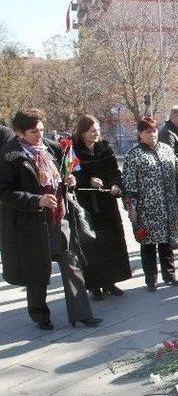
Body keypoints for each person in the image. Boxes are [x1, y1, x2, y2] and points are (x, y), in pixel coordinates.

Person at [0, 109, 102, 330]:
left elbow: (64, 177)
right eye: (33, 131)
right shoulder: (9, 155)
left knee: (71, 263)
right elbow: (5, 193)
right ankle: (40, 316)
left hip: (59, 217)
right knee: (37, 270)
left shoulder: (52, 148)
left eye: (41, 130)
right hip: (31, 224)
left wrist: (69, 181)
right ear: (19, 132)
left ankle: (82, 313)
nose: (39, 135)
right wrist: (37, 200)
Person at [122, 117, 178, 292]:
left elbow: (177, 176)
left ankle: (170, 275)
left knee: (167, 242)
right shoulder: (133, 155)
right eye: (147, 131)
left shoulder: (167, 150)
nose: (152, 134)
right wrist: (131, 208)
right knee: (148, 244)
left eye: (154, 130)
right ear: (140, 134)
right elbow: (128, 186)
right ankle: (151, 279)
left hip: (169, 206)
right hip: (147, 209)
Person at [73, 115, 131, 300]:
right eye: (92, 131)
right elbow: (69, 176)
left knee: (110, 243)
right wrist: (87, 180)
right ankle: (94, 285)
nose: (96, 133)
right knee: (91, 246)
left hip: (107, 204)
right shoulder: (74, 151)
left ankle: (110, 281)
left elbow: (116, 173)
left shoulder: (105, 149)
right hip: (87, 205)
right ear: (82, 132)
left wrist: (115, 184)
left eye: (98, 129)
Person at [158, 105, 178, 250]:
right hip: (172, 176)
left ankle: (173, 236)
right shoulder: (168, 133)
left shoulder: (175, 131)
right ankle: (173, 238)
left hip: (176, 174)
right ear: (172, 117)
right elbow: (169, 155)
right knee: (175, 206)